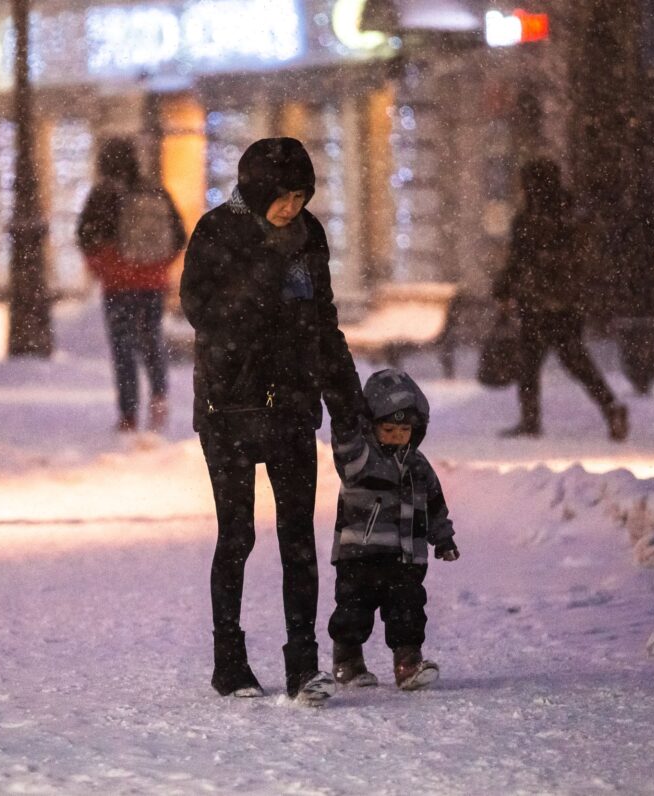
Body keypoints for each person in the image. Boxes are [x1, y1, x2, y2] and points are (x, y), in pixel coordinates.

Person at [180, 137, 365, 704]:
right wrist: (263, 270)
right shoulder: (218, 231)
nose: (292, 207)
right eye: (282, 197)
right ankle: (229, 662)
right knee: (236, 536)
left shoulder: (310, 237)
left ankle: (302, 665)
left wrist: (345, 399)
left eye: (301, 195)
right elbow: (203, 314)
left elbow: (322, 322)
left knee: (298, 539)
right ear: (258, 193)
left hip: (290, 405)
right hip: (229, 408)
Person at [328, 368, 459, 692]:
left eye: (405, 429)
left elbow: (434, 504)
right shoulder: (358, 460)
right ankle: (348, 660)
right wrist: (344, 406)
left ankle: (408, 663)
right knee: (353, 611)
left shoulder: (418, 465)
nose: (398, 435)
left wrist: (443, 539)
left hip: (406, 557)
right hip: (360, 555)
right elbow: (344, 438)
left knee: (408, 611)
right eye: (389, 428)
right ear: (370, 425)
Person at [493, 158, 629, 442]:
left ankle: (530, 420)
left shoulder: (529, 219)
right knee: (576, 360)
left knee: (529, 362)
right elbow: (585, 258)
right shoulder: (571, 214)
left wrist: (503, 290)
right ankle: (610, 407)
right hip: (568, 302)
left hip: (536, 303)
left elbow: (518, 259)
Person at [77, 138, 186, 432]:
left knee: (123, 347)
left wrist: (104, 265)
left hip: (117, 284)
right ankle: (160, 395)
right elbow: (179, 236)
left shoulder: (102, 194)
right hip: (152, 282)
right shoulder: (154, 189)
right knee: (151, 338)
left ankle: (129, 414)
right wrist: (157, 265)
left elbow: (84, 236)